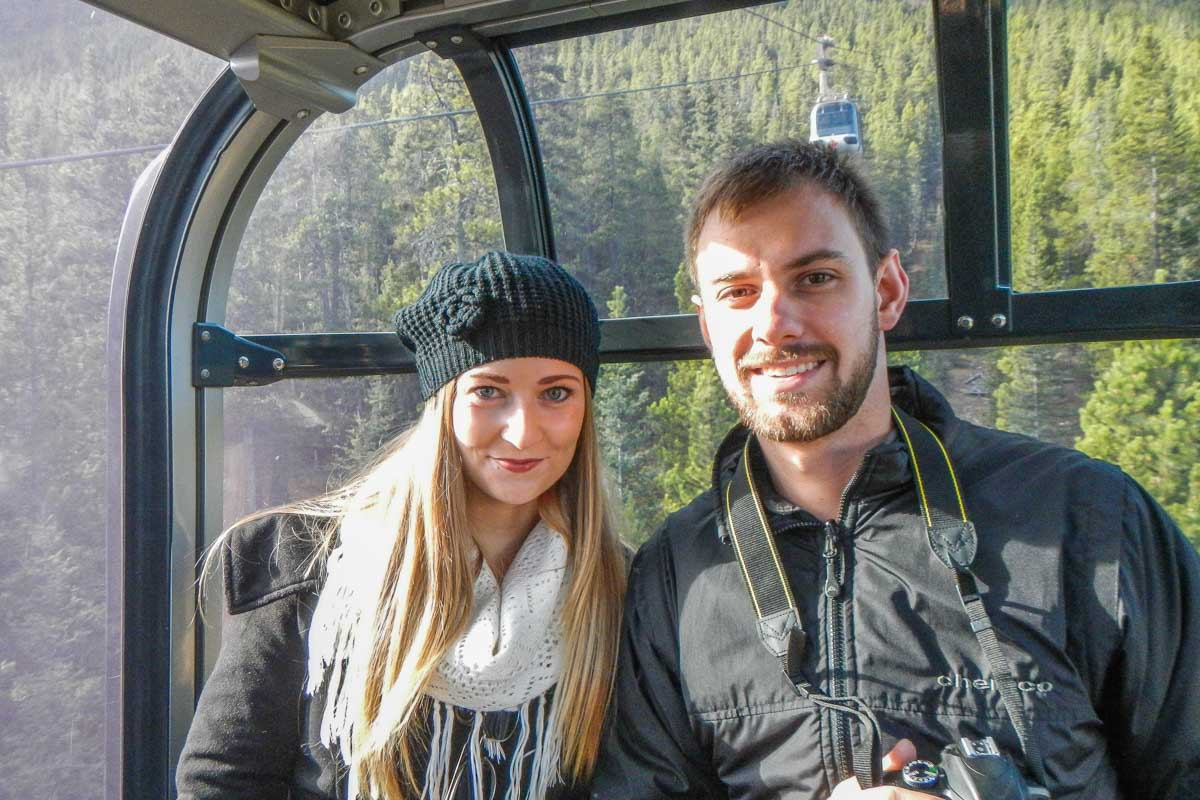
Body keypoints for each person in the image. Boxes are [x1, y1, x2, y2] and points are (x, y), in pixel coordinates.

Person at [592, 141, 1200, 800]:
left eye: (815, 278)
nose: (774, 323)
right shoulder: (676, 577)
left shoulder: (1088, 521)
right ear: (708, 325)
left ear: (887, 291)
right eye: (738, 292)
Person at [176, 251, 627, 800]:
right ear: (442, 403)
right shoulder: (307, 562)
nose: (523, 432)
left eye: (556, 393)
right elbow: (223, 781)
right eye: (488, 391)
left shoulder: (620, 587)